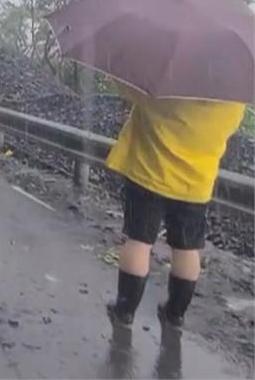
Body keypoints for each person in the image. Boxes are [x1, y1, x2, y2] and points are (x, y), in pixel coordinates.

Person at [105, 83, 245, 329]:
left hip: (148, 174)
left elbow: (132, 89)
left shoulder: (167, 80)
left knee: (139, 241)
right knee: (187, 248)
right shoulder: (233, 100)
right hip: (195, 185)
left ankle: (125, 311)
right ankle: (175, 314)